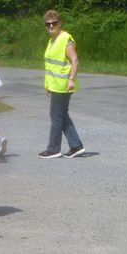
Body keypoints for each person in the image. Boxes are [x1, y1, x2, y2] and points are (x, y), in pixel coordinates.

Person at [38, 10, 86, 159]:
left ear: (60, 23)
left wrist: (71, 79)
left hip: (63, 85)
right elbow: (51, 65)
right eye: (48, 24)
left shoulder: (66, 39)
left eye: (54, 23)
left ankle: (53, 149)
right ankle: (76, 146)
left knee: (56, 117)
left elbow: (75, 59)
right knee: (62, 115)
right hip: (55, 85)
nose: (51, 26)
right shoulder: (52, 40)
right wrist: (47, 84)